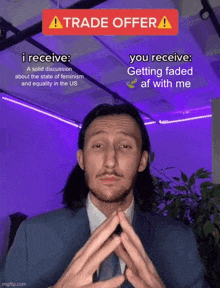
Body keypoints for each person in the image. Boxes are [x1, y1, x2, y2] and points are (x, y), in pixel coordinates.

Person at [3, 103, 209, 288]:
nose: (110, 161)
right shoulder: (34, 234)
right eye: (98, 145)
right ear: (82, 159)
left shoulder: (179, 239)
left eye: (125, 146)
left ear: (142, 161)